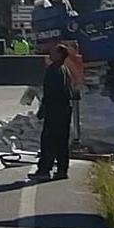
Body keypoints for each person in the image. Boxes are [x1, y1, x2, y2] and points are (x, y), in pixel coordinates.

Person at [34, 41, 78, 180]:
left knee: (49, 139)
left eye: (53, 52)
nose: (50, 54)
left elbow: (51, 93)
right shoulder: (65, 69)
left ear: (59, 55)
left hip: (56, 110)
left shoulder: (54, 70)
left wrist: (43, 109)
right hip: (64, 109)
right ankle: (62, 170)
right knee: (61, 141)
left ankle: (44, 170)